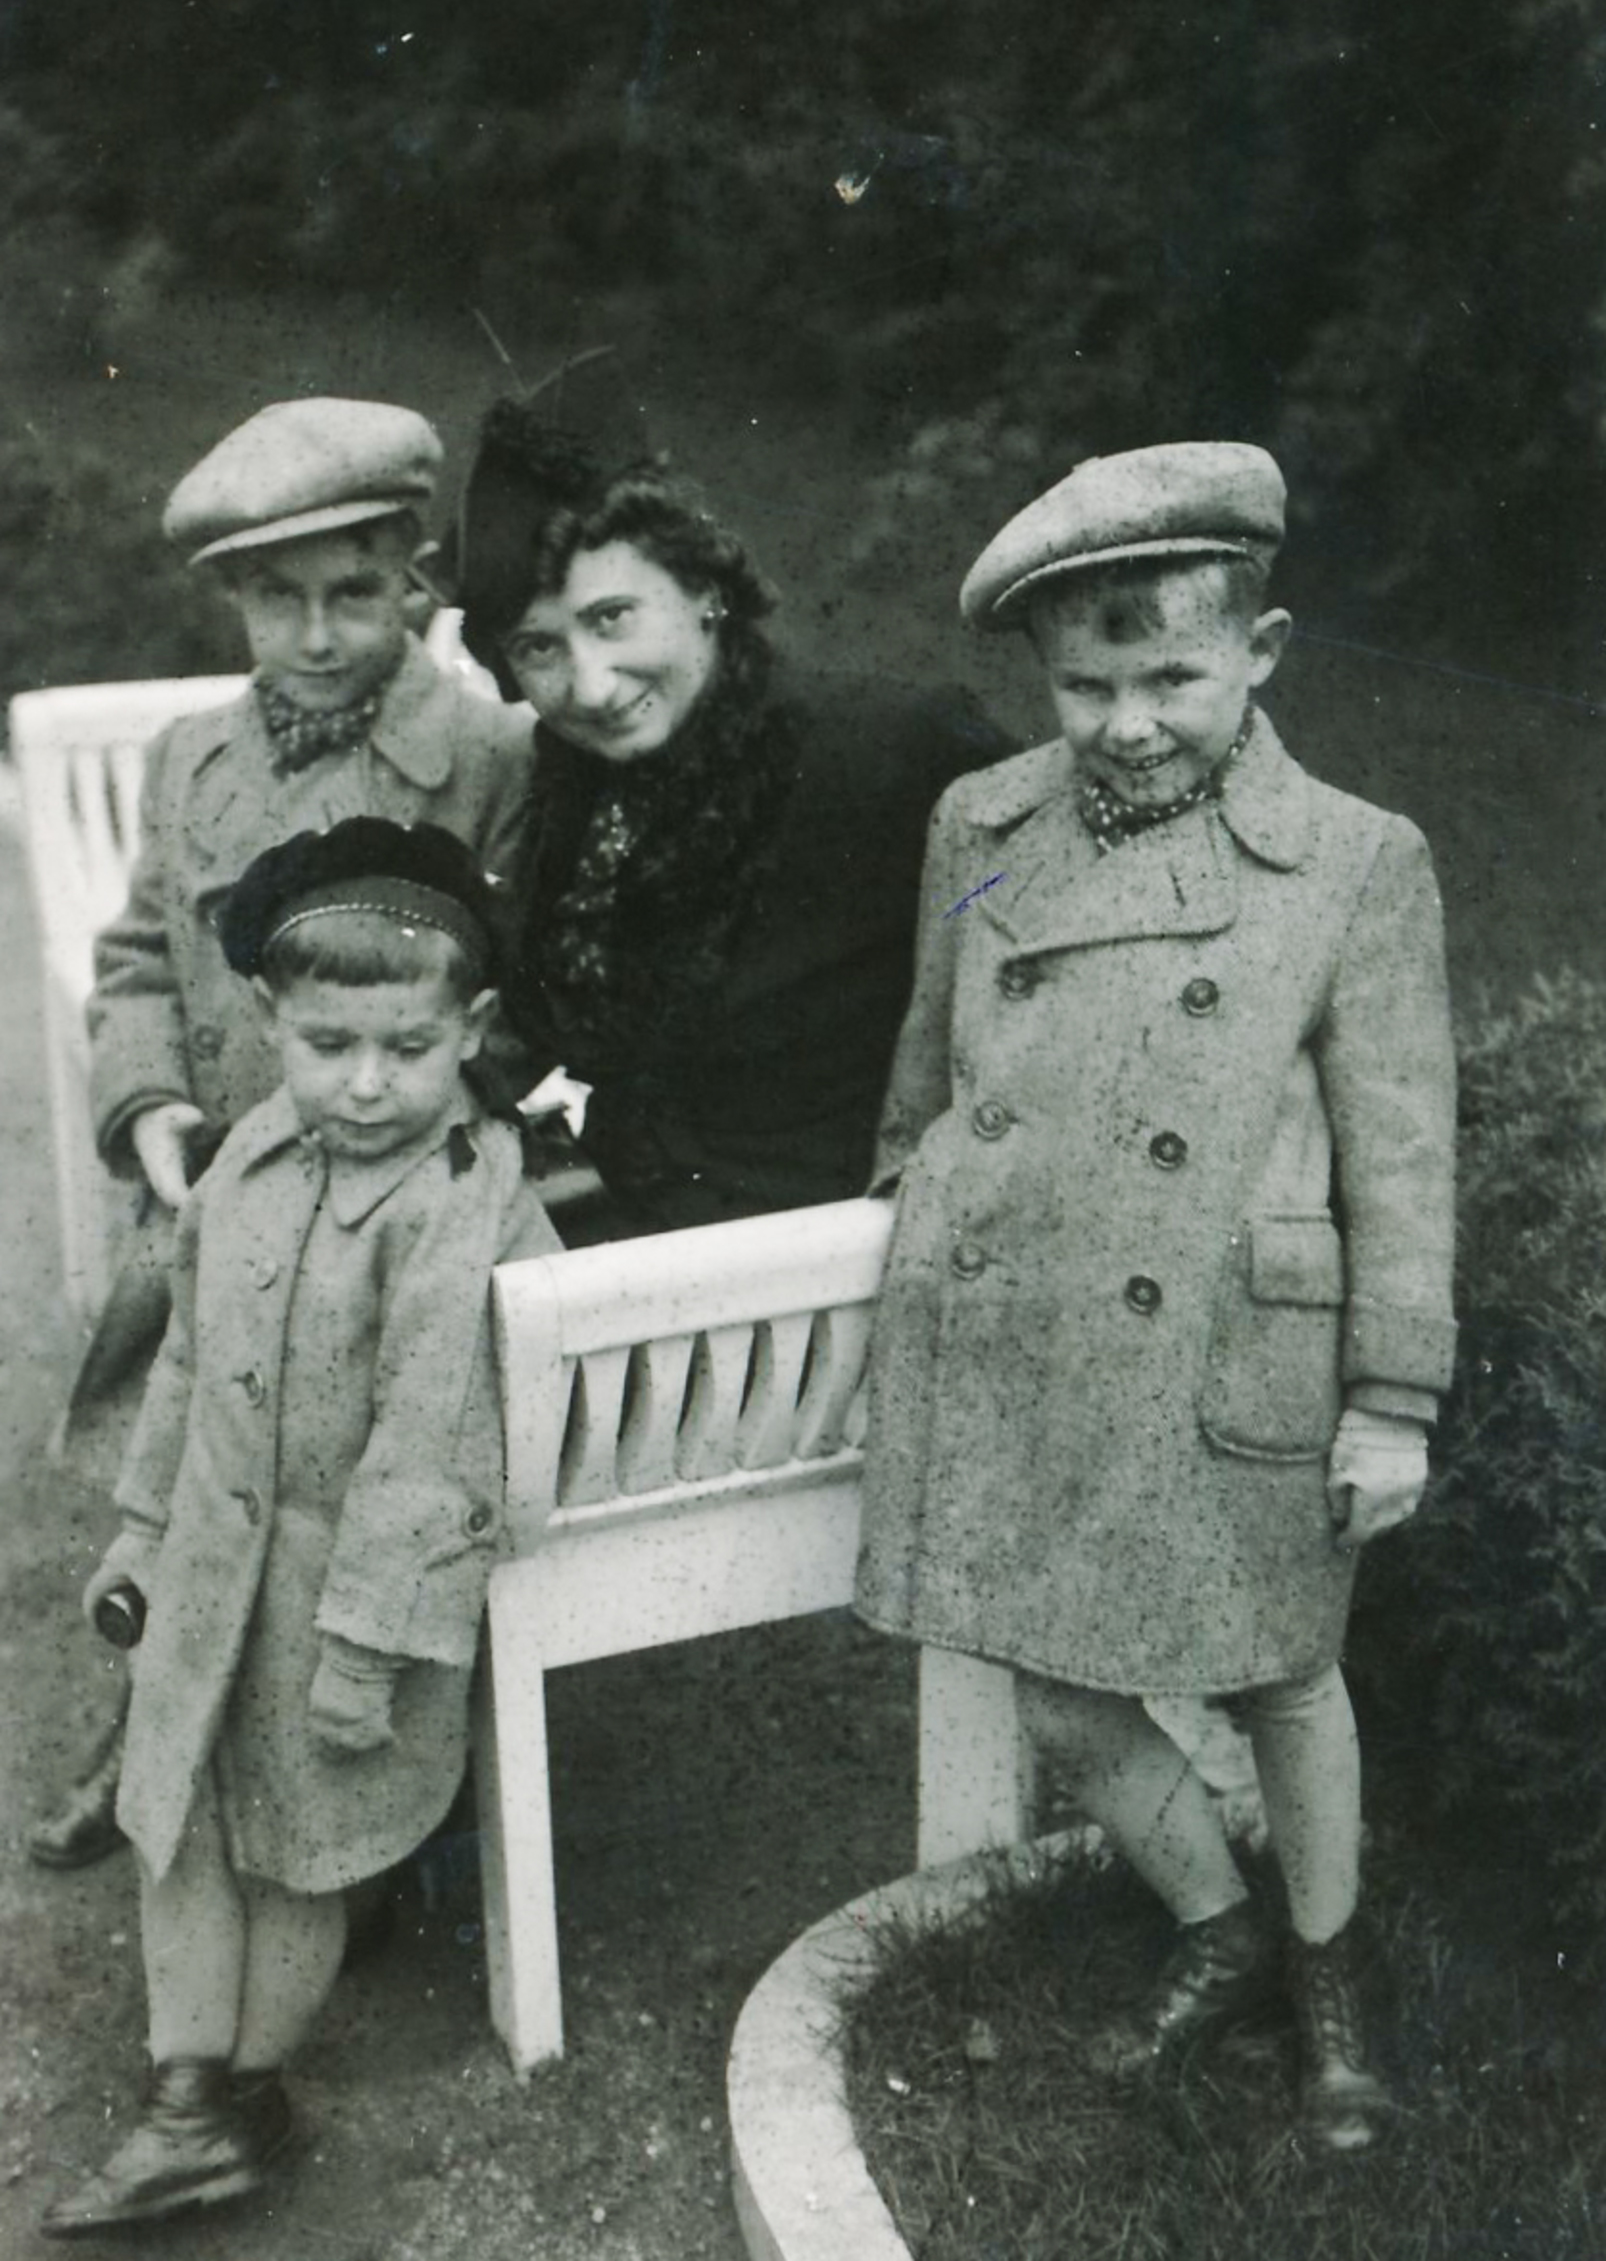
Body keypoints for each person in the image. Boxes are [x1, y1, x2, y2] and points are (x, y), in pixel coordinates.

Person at [854, 443, 1457, 2153]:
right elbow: (928, 1066)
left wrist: (1393, 1396)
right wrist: (915, 1229)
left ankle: (1330, 1976)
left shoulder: (1352, 860)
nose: (1125, 723)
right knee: (1054, 1671)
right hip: (1022, 1322)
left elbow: (1404, 1148)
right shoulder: (983, 825)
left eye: (1170, 678)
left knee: (1281, 1670)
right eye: (1085, 685)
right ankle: (1218, 1920)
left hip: (1230, 1335)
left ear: (1262, 652)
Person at [29, 397, 533, 1872]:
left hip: (391, 1205)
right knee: (188, 1467)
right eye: (277, 600)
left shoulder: (485, 754)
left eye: (353, 592)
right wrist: (152, 1112)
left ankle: (373, 1786)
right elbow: (136, 961)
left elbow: (511, 1000)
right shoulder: (192, 756)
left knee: (358, 1484)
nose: (316, 635)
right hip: (221, 1193)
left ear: (414, 581)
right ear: (236, 601)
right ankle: (154, 1719)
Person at [41, 818, 560, 2238]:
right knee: (180, 1826)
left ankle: (242, 2088)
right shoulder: (257, 1157)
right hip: (216, 1578)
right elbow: (191, 1360)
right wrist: (140, 1531)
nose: (366, 1082)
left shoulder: (456, 1206)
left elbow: (429, 1449)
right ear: (271, 1021)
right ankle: (186, 2092)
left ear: (471, 1029)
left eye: (407, 1046)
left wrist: (366, 1648)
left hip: (343, 1608)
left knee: (300, 1857)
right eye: (328, 1045)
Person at [446, 395, 1011, 1239]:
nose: (592, 687)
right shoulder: (579, 783)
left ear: (704, 591)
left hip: (845, 1249)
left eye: (611, 619)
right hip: (647, 1230)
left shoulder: (884, 751)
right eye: (539, 647)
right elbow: (534, 1022)